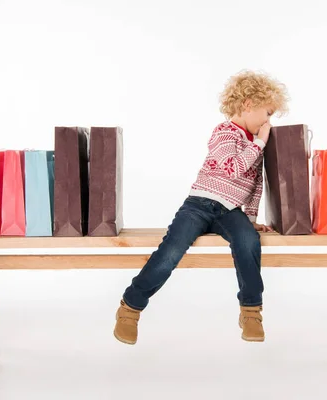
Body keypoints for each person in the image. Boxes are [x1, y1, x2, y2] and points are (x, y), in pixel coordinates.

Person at [114, 70, 289, 344]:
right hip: (199, 205)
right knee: (171, 250)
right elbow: (234, 169)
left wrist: (252, 218)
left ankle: (252, 310)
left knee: (248, 241)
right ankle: (130, 307)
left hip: (230, 211)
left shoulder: (255, 144)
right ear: (248, 105)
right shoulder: (224, 133)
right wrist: (260, 142)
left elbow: (255, 184)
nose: (268, 122)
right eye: (267, 113)